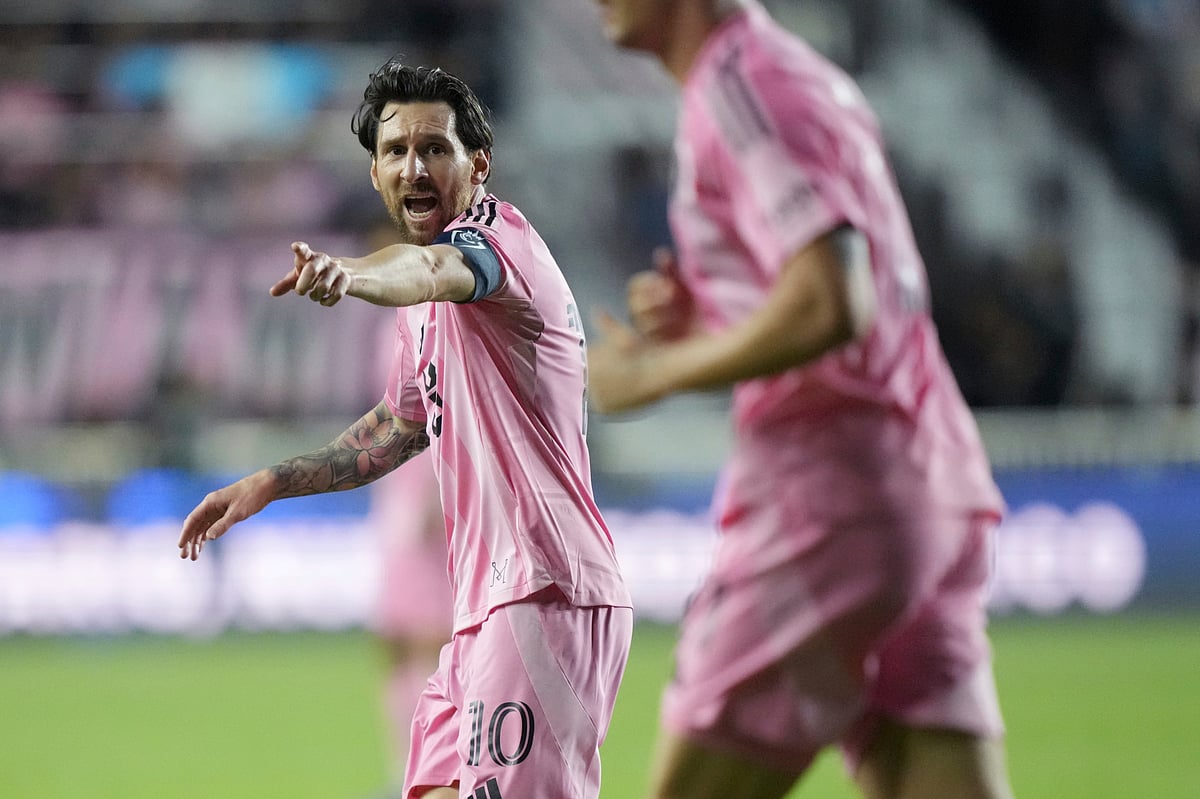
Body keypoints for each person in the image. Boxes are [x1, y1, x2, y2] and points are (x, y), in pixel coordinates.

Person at [587, 2, 1016, 799]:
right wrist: (707, 326)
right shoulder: (794, 76)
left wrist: (658, 374)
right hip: (925, 483)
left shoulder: (741, 84)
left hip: (826, 501)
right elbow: (837, 304)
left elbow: (831, 301)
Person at [178, 60, 632, 799]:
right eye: (395, 152)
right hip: (481, 611)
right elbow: (397, 427)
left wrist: (351, 273)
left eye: (435, 148)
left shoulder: (495, 242)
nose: (413, 167)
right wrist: (271, 481)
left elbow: (426, 268)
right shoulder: (423, 313)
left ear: (478, 162)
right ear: (374, 172)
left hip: (543, 592)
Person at [367, 450, 452, 794]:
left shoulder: (439, 427)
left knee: (433, 660)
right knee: (399, 655)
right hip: (401, 552)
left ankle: (430, 767)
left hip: (431, 555)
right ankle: (405, 768)